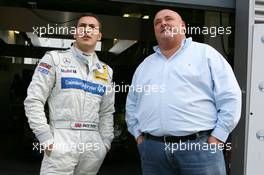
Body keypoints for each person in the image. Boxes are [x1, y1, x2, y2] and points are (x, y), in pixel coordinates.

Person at [125, 9, 241, 175]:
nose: (163, 23)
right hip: (153, 151)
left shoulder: (206, 54)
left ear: (183, 26)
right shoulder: (145, 65)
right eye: (157, 22)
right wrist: (137, 135)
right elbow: (132, 104)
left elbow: (230, 96)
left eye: (168, 19)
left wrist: (218, 136)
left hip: (200, 149)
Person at [24, 14, 115, 175]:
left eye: (93, 27)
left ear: (99, 36)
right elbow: (34, 100)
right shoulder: (54, 59)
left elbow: (107, 111)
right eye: (82, 26)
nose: (87, 30)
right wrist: (45, 138)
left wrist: (105, 143)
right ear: (75, 33)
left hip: (93, 146)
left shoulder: (106, 71)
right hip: (61, 141)